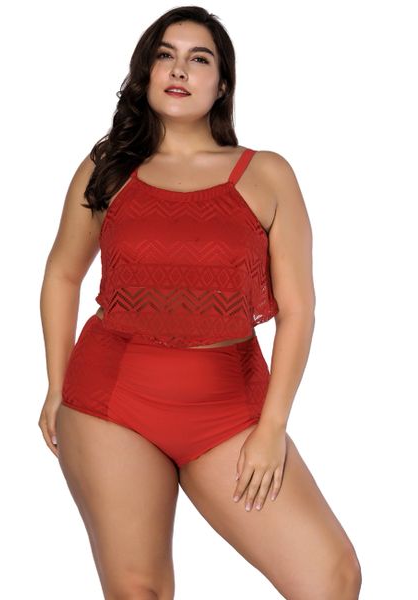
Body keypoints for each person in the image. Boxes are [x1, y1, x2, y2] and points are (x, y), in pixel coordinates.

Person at [38, 6, 362, 599]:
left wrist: (273, 427)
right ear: (146, 72)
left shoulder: (267, 174)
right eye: (165, 55)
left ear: (222, 84)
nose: (179, 69)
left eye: (199, 58)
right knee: (140, 591)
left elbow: (298, 311)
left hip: (228, 408)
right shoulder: (108, 167)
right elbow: (62, 274)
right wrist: (56, 387)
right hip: (112, 401)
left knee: (331, 579)